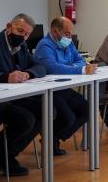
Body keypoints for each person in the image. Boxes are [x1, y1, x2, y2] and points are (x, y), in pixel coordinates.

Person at [0, 13, 45, 176]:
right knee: (26, 118)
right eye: (19, 31)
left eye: (26, 34)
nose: (22, 37)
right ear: (8, 26)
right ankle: (1, 156)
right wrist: (5, 77)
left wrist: (28, 73)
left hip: (13, 96)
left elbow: (40, 67)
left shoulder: (22, 47)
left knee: (46, 110)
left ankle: (6, 154)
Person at [34, 17, 95, 156]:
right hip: (48, 90)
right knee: (68, 117)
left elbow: (81, 60)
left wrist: (70, 67)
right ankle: (51, 139)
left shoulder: (68, 43)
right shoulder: (45, 45)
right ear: (56, 31)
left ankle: (52, 138)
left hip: (63, 87)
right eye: (67, 33)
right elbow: (52, 68)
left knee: (88, 109)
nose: (70, 37)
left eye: (71, 34)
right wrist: (79, 69)